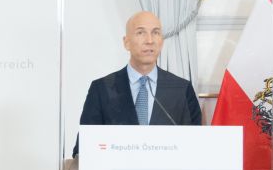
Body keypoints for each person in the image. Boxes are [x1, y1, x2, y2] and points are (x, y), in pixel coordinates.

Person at [78, 10, 202, 143]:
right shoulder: (101, 89)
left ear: (161, 41)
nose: (149, 41)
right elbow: (84, 148)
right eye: (141, 33)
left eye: (155, 33)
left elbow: (195, 146)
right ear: (126, 42)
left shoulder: (182, 89)